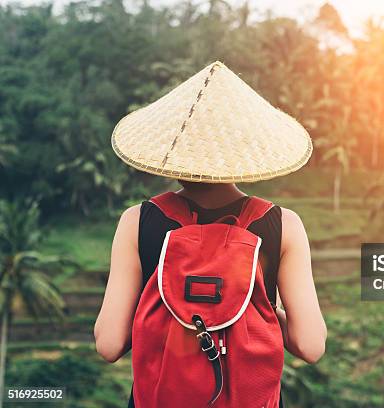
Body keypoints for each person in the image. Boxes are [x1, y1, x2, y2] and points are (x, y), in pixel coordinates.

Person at [94, 61, 326, 407]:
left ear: (172, 148)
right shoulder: (283, 225)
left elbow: (109, 343)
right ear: (245, 152)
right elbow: (310, 345)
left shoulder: (137, 221)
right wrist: (258, 303)